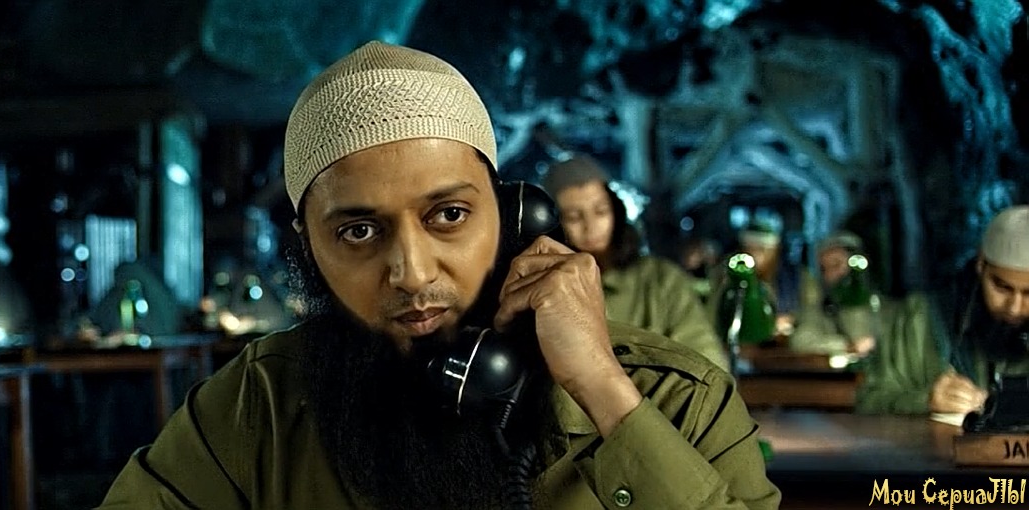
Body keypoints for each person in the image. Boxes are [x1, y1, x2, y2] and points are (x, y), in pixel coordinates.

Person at [98, 41, 779, 509]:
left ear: (515, 216)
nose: (412, 271)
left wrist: (605, 394)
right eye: (358, 231)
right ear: (308, 248)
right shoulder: (259, 407)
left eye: (449, 215)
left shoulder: (674, 399)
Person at [541, 155, 730, 371]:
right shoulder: (549, 290)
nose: (590, 226)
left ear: (616, 210)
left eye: (601, 211)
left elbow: (707, 365)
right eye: (574, 217)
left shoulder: (661, 280)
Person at [856, 205, 1029, 415]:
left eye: (1028, 294)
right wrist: (925, 401)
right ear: (981, 264)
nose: (1014, 307)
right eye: (1002, 288)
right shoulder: (921, 318)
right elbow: (869, 400)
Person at [788, 230, 881, 356]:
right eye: (824, 268)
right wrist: (846, 346)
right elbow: (801, 341)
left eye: (836, 264)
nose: (831, 275)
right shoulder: (821, 308)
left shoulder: (881, 306)